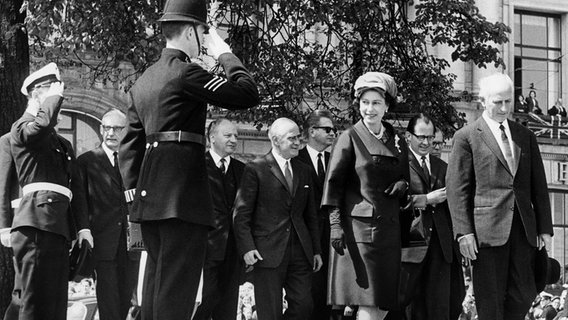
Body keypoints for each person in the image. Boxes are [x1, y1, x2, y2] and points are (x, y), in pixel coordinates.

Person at [118, 0, 259, 318]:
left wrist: (134, 193)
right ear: (193, 31)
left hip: (151, 201)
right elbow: (248, 92)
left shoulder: (144, 81)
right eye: (204, 32)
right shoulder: (187, 73)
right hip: (182, 199)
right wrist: (223, 52)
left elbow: (129, 146)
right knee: (176, 293)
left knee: (156, 288)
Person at [446, 73, 553, 320]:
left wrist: (544, 228)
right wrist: (464, 232)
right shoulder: (467, 136)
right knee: (490, 301)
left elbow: (539, 184)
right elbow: (457, 189)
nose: (504, 108)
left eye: (508, 101)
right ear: (484, 101)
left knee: (525, 294)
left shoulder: (525, 136)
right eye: (498, 102)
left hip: (523, 230)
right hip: (486, 234)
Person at [2, 62, 93, 320]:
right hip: (34, 224)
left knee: (54, 303)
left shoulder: (62, 144)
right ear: (36, 94)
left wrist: (83, 230)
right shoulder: (21, 129)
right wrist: (50, 99)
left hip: (58, 227)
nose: (60, 99)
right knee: (31, 301)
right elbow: (39, 127)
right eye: (53, 91)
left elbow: (74, 189)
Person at [321, 72, 410, 320]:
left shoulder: (397, 140)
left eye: (376, 103)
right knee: (369, 304)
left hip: (389, 233)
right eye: (364, 102)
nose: (369, 109)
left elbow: (405, 178)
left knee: (381, 305)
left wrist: (403, 184)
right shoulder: (349, 137)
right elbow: (333, 185)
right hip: (360, 234)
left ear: (387, 107)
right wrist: (335, 225)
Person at [233, 117, 323, 320]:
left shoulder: (304, 171)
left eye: (299, 137)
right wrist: (247, 247)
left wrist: (316, 250)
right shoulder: (255, 169)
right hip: (267, 253)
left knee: (304, 307)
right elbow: (241, 213)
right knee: (269, 312)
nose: (297, 142)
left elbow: (310, 215)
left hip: (300, 252)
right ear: (275, 140)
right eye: (291, 138)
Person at [76, 108, 139, 320]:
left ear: (126, 131)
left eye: (117, 128)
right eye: (107, 128)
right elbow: (81, 201)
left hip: (133, 244)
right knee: (108, 298)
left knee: (126, 296)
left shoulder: (135, 163)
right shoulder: (87, 161)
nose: (111, 133)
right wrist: (84, 231)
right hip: (103, 241)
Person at [402, 113, 464, 320]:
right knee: (412, 309)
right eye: (421, 137)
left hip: (442, 248)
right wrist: (426, 199)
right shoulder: (398, 165)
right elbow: (393, 204)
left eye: (430, 138)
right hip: (411, 247)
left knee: (442, 308)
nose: (426, 142)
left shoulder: (443, 167)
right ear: (408, 136)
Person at [193, 119, 245, 320]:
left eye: (236, 136)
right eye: (228, 135)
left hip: (232, 252)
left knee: (228, 308)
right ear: (212, 137)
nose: (233, 140)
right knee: (203, 303)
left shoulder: (243, 170)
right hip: (204, 250)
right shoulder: (196, 167)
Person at [296, 109, 336, 320]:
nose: (332, 134)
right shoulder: (296, 159)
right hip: (303, 241)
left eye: (334, 130)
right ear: (312, 131)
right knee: (304, 300)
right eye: (327, 129)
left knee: (325, 300)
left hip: (331, 240)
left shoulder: (336, 161)